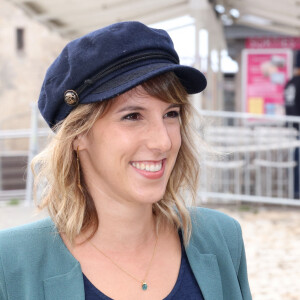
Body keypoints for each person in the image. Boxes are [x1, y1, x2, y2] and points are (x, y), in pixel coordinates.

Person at [0, 21, 252, 300]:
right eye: (132, 116)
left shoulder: (222, 239)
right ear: (77, 135)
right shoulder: (10, 263)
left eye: (171, 114)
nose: (163, 142)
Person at [284, 51, 300, 199]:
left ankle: (296, 190)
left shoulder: (290, 83)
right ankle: (297, 191)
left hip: (293, 130)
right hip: (297, 129)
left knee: (297, 162)